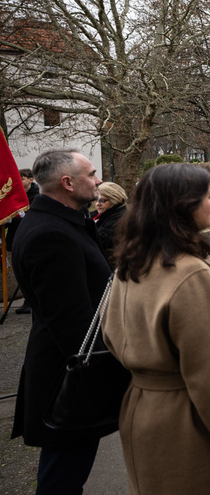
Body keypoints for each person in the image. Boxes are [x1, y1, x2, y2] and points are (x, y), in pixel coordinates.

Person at [102, 164, 210, 493]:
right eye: (207, 197)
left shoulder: (132, 260)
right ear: (183, 205)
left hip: (142, 410)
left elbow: (111, 335)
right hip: (189, 424)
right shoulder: (190, 273)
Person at [10, 149, 111, 493]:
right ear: (67, 183)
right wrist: (104, 375)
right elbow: (72, 324)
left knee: (65, 469)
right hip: (68, 377)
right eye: (91, 174)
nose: (98, 180)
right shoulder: (51, 234)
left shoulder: (60, 222)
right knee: (62, 477)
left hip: (68, 371)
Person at [6, 168, 39, 314]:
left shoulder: (36, 197)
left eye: (22, 178)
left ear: (31, 180)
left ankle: (32, 301)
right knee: (20, 273)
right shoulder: (15, 196)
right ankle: (28, 300)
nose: (19, 181)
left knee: (30, 272)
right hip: (15, 238)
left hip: (30, 240)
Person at [93, 181, 127, 264]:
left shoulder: (118, 219)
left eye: (102, 201)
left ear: (115, 200)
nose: (97, 204)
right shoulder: (100, 214)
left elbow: (100, 241)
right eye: (96, 200)